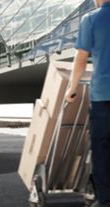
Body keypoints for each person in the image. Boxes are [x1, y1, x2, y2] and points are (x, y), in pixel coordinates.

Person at [65, 0, 110, 206]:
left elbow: (81, 58)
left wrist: (71, 89)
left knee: (101, 148)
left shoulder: (91, 19)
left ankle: (105, 199)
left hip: (102, 95)